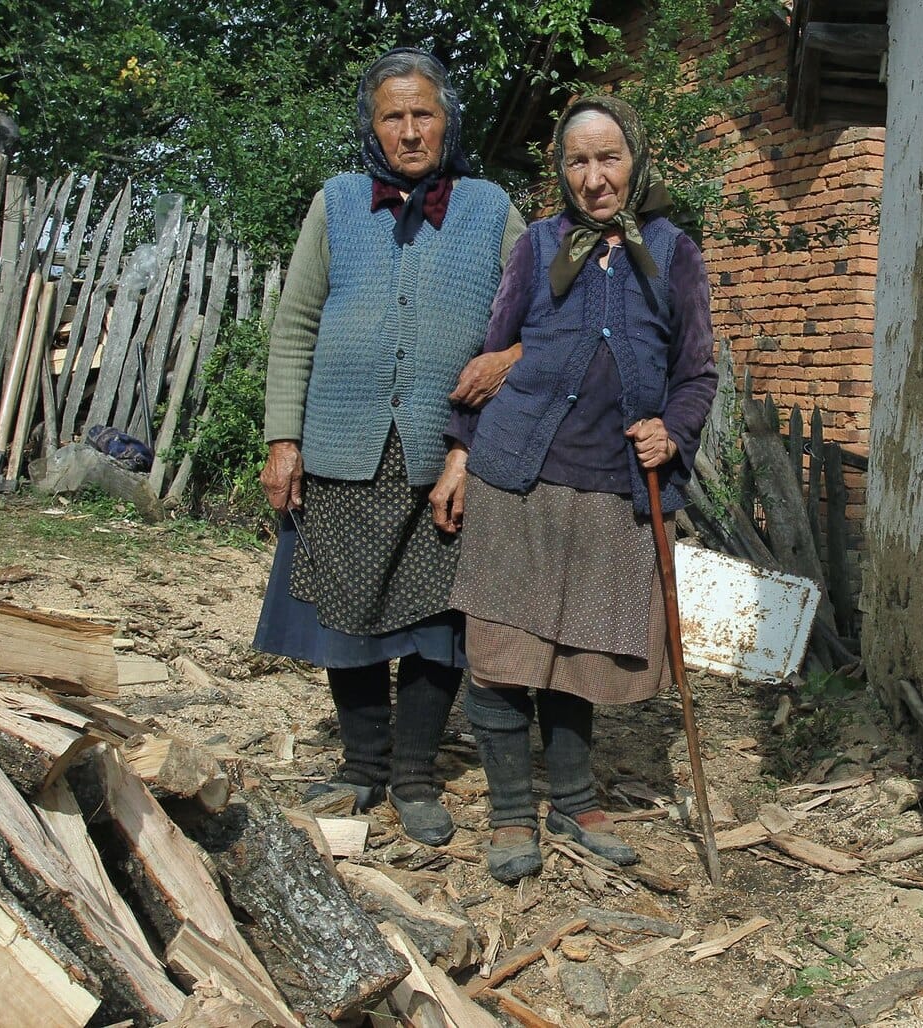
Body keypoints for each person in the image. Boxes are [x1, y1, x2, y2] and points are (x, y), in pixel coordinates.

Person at [435, 94, 717, 882]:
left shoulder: (672, 251)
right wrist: (459, 456)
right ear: (561, 172)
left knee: (577, 652)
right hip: (516, 476)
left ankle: (574, 800)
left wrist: (674, 431)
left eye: (609, 159)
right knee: (501, 651)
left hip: (612, 486)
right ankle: (511, 813)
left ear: (637, 160)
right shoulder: (537, 248)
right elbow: (492, 356)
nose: (595, 179)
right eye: (578, 162)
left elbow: (696, 373)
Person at [253, 48, 525, 846]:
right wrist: (283, 437)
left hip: (443, 457)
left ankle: (414, 776)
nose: (410, 132)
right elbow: (296, 326)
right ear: (372, 128)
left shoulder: (488, 207)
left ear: (449, 121)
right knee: (351, 615)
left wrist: (505, 366)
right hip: (344, 448)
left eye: (424, 114)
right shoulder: (336, 203)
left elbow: (535, 321)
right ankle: (360, 768)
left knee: (436, 628)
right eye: (393, 116)